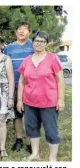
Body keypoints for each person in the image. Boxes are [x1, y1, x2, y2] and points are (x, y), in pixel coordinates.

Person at [17, 31, 64, 161]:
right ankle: (35, 153)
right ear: (33, 42)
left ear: (46, 44)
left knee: (51, 130)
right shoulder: (26, 60)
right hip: (29, 102)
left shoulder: (53, 58)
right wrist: (19, 100)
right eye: (36, 41)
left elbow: (60, 80)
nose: (39, 43)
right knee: (31, 128)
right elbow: (21, 82)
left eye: (42, 41)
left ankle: (52, 158)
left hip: (49, 102)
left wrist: (61, 100)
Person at [3, 22, 34, 152]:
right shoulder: (9, 48)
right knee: (17, 115)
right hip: (14, 86)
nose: (21, 31)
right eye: (19, 29)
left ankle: (33, 142)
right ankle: (19, 139)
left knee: (32, 115)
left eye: (25, 29)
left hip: (31, 87)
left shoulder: (33, 46)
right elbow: (3, 66)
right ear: (16, 32)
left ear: (29, 32)